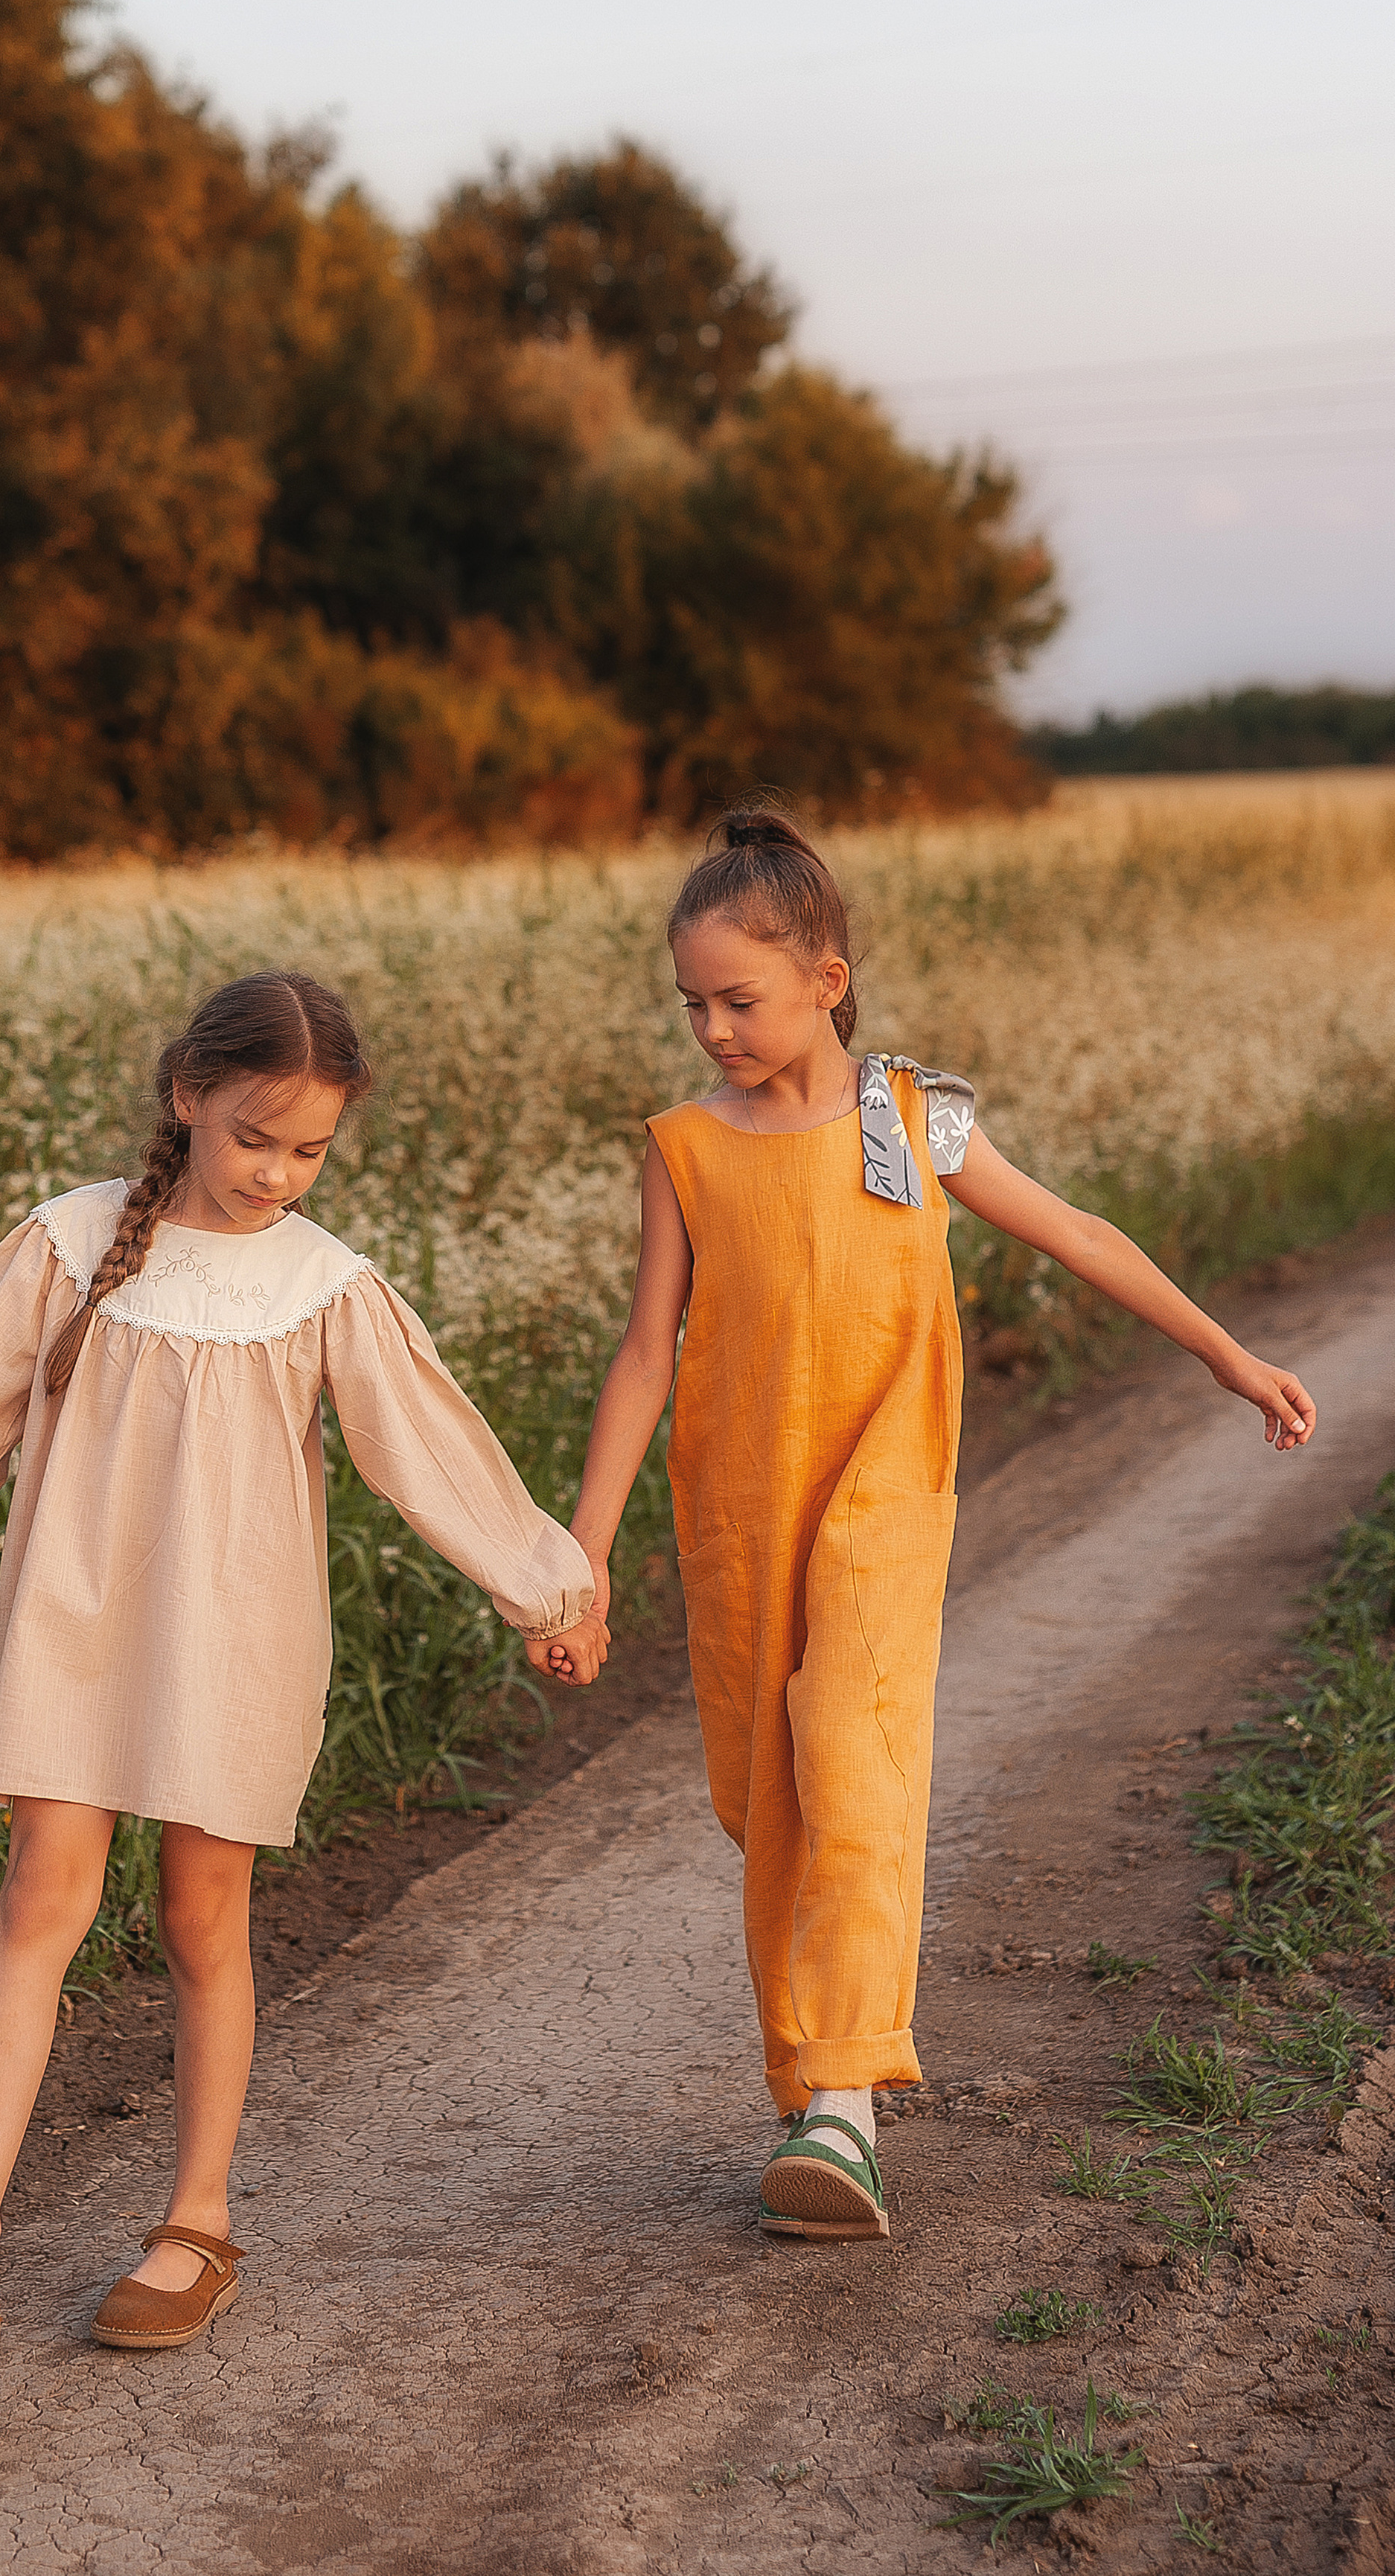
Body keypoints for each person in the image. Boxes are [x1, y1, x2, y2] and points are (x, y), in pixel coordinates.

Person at [0, 971, 606, 2348]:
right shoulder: (66, 1242)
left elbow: (433, 1460)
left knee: (197, 1920)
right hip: (78, 1618)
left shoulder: (325, 1286)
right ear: (187, 1099)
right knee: (41, 1895)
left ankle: (196, 2224)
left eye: (309, 1151)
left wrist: (546, 1588)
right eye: (253, 1139)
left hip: (237, 1642)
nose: (278, 1174)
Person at [567, 803, 1315, 2243]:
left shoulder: (919, 1117)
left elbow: (1079, 1231)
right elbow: (646, 1353)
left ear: (827, 982)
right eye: (694, 1004)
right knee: (765, 1795)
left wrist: (1226, 1355)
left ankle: (844, 2103)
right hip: (734, 1513)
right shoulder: (680, 1148)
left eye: (741, 998)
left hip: (885, 1501)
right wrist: (584, 1552)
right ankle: (808, 2081)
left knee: (853, 1758)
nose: (714, 1029)